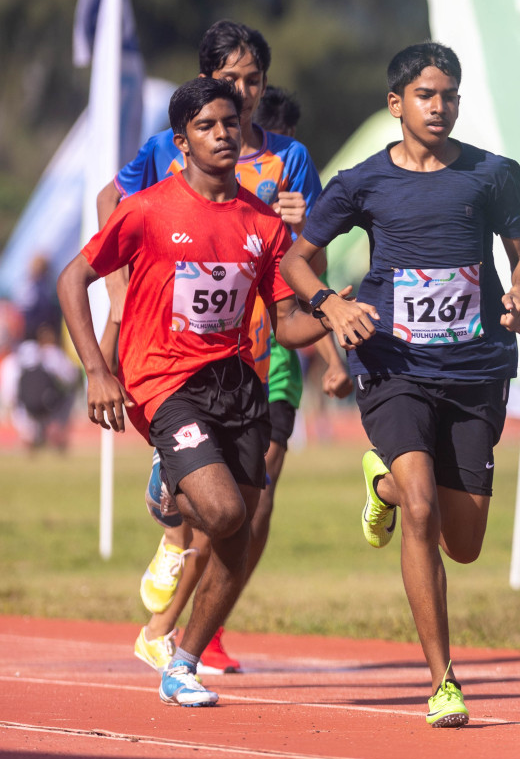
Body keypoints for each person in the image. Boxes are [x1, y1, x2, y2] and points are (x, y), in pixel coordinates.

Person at [280, 42, 520, 728]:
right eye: (427, 95)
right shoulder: (361, 182)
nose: (440, 106)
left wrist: (517, 293)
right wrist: (330, 307)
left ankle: (382, 482)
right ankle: (443, 681)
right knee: (421, 512)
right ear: (397, 104)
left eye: (450, 95)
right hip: (391, 363)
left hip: (477, 368)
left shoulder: (493, 175)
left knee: (467, 541)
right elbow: (299, 261)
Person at [57, 77, 332, 707]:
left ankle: (181, 661)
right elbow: (74, 280)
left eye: (231, 123)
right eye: (208, 125)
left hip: (237, 382)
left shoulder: (261, 223)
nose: (224, 133)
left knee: (240, 530)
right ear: (181, 142)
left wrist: (340, 311)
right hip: (163, 380)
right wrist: (99, 370)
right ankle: (171, 481)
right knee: (225, 513)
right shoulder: (148, 208)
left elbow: (287, 322)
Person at [0, 322, 77, 452]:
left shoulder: (12, 361)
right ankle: (56, 433)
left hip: (25, 414)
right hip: (52, 409)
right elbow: (72, 378)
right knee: (69, 395)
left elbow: (8, 396)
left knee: (17, 407)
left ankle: (29, 437)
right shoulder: (52, 354)